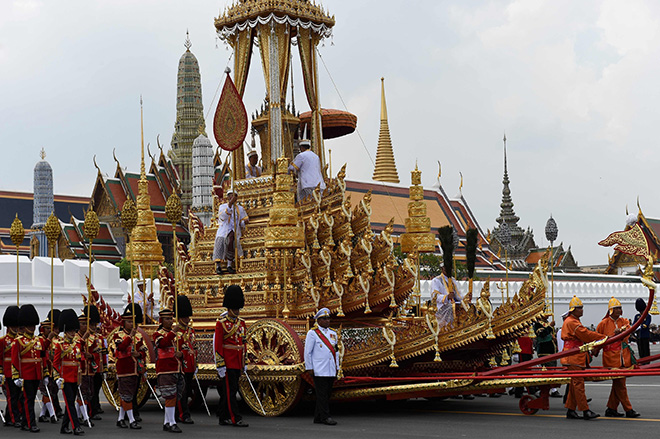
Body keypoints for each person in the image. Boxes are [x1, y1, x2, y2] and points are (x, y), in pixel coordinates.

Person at [561, 296, 606, 420]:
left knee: (574, 384)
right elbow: (586, 334)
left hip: (574, 356)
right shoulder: (572, 322)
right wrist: (603, 337)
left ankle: (571, 410)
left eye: (582, 308)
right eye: (579, 308)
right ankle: (585, 410)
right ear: (573, 310)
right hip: (573, 357)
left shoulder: (572, 320)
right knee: (578, 385)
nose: (582, 310)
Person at [596, 297, 640, 418]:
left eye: (620, 308)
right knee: (620, 384)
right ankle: (628, 409)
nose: (619, 310)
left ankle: (611, 408)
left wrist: (620, 331)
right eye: (617, 308)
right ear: (611, 310)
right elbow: (597, 340)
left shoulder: (623, 321)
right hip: (611, 358)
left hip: (623, 357)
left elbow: (628, 327)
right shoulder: (603, 324)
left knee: (618, 383)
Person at [214, 285, 248, 427]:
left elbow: (243, 344)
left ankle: (223, 417)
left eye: (238, 309)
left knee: (231, 390)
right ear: (229, 308)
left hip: (237, 362)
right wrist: (220, 365)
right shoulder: (221, 323)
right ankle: (235, 417)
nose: (237, 311)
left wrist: (244, 362)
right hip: (227, 362)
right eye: (235, 309)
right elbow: (218, 345)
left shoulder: (242, 323)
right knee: (230, 391)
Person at [11, 304, 47, 432]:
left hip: (36, 374)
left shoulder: (39, 341)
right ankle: (31, 423)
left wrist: (45, 374)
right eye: (30, 325)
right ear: (25, 326)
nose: (32, 328)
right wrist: (16, 376)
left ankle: (25, 423)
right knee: (28, 400)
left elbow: (43, 358)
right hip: (25, 375)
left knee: (30, 399)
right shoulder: (18, 341)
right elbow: (15, 360)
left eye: (33, 325)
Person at [109, 305, 143, 429]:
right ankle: (132, 419)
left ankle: (120, 418)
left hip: (135, 368)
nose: (131, 324)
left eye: (132, 322)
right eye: (129, 322)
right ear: (124, 323)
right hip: (124, 368)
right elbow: (121, 348)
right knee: (127, 395)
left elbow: (143, 350)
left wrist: (138, 353)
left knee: (128, 394)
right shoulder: (118, 335)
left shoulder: (138, 335)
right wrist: (129, 337)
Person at [53, 309, 85, 435]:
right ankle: (75, 426)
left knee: (70, 402)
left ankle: (64, 427)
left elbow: (78, 361)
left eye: (74, 330)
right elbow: (55, 363)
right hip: (65, 378)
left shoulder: (77, 345)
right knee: (70, 402)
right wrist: (57, 377)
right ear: (65, 331)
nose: (73, 333)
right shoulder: (60, 345)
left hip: (75, 377)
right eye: (70, 330)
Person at [304, 308, 338, 425]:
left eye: (328, 318)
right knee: (322, 394)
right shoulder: (313, 333)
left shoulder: (333, 333)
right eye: (324, 319)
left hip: (330, 367)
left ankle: (318, 417)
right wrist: (309, 367)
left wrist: (337, 366)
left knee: (327, 394)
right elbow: (307, 352)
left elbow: (336, 351)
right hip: (319, 368)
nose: (327, 320)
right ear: (318, 320)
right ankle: (325, 417)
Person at [153, 307, 184, 433]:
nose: (170, 321)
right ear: (161, 320)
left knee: (175, 396)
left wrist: (181, 353)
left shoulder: (177, 334)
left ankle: (167, 421)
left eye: (171, 318)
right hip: (165, 369)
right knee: (170, 396)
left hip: (177, 368)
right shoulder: (158, 334)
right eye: (167, 319)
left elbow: (182, 348)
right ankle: (172, 422)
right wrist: (173, 332)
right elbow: (162, 344)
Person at [213, 190, 249, 275]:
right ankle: (218, 266)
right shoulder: (222, 206)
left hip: (234, 230)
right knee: (220, 242)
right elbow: (223, 217)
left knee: (231, 241)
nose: (232, 197)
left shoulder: (240, 208)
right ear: (227, 197)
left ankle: (229, 265)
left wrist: (245, 222)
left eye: (234, 196)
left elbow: (242, 221)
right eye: (230, 196)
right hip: (224, 229)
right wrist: (230, 204)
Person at [175, 295, 197, 425]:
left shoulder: (191, 331)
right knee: (182, 392)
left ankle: (181, 413)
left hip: (190, 365)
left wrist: (196, 364)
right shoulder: (176, 332)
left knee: (187, 391)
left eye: (187, 317)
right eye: (184, 317)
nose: (187, 319)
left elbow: (194, 347)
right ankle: (183, 414)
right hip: (181, 366)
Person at [37, 310, 60, 424]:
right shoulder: (39, 340)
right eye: (47, 329)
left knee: (52, 391)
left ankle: (42, 415)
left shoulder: (55, 340)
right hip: (43, 369)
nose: (49, 331)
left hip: (52, 370)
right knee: (46, 392)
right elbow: (42, 349)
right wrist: (49, 338)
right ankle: (52, 414)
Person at [1, 305, 22, 427]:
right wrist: (1, 372)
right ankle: (14, 419)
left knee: (17, 396)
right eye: (13, 326)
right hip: (8, 371)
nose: (15, 328)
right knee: (12, 396)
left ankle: (10, 416)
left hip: (18, 370)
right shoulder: (3, 341)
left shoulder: (20, 340)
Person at [534, 317, 561, 397]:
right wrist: (550, 327)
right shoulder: (537, 324)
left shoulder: (546, 323)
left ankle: (552, 389)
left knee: (551, 370)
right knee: (547, 371)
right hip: (544, 351)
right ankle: (542, 389)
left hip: (551, 351)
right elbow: (542, 334)